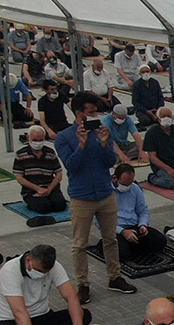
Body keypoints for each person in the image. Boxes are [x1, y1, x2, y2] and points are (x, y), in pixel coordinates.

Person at [57, 94, 136, 303]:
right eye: (91, 112)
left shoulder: (102, 132)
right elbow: (71, 166)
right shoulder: (64, 137)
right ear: (79, 114)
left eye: (96, 112)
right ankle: (83, 284)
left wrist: (103, 144)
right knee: (80, 244)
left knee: (110, 239)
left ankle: (115, 276)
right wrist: (81, 145)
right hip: (82, 197)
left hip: (105, 193)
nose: (96, 116)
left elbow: (111, 161)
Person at [0, 245, 92, 325]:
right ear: (28, 260)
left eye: (45, 272)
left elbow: (71, 297)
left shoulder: (54, 267)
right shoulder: (10, 271)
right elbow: (19, 311)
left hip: (42, 317)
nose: (42, 274)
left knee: (84, 315)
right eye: (39, 271)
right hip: (14, 321)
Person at [111, 164, 168, 261]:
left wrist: (143, 225)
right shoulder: (106, 192)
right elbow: (100, 220)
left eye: (129, 184)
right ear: (114, 178)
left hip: (134, 226)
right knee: (121, 254)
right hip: (116, 229)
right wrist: (123, 231)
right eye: (124, 184)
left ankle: (131, 245)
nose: (127, 187)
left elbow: (143, 211)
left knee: (160, 241)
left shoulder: (135, 188)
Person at [12, 125, 69, 214]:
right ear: (28, 137)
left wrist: (49, 189)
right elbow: (19, 177)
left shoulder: (50, 152)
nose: (38, 143)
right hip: (31, 191)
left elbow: (59, 174)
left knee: (60, 205)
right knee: (43, 207)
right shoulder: (21, 154)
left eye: (41, 140)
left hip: (50, 188)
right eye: (35, 140)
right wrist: (38, 189)